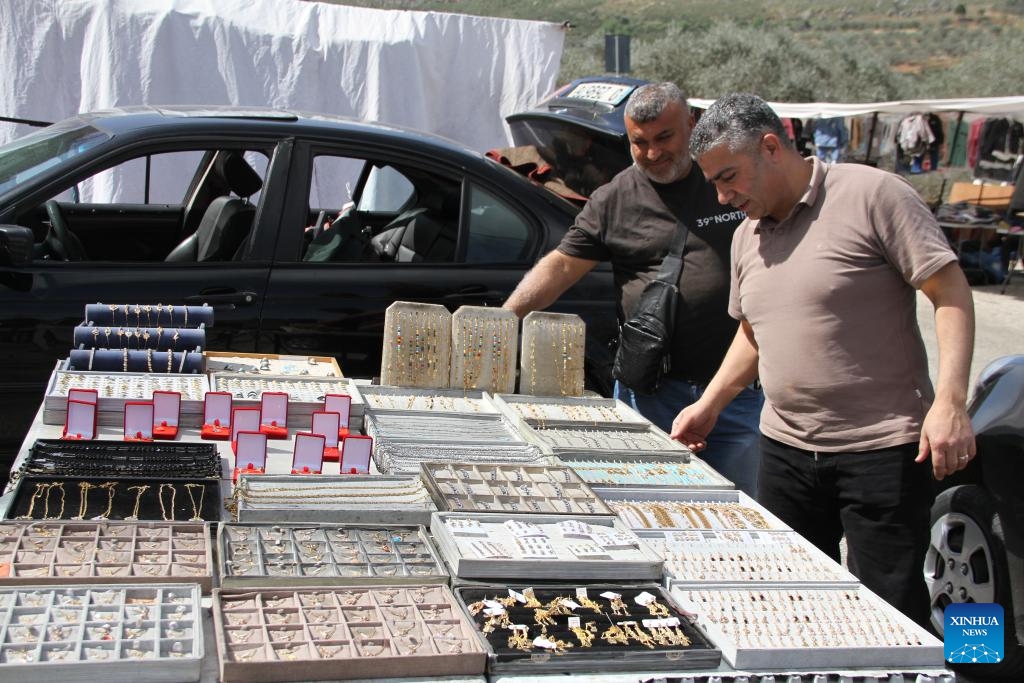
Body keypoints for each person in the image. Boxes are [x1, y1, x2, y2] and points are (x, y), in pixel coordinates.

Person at [674, 92, 976, 624]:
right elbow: (754, 330)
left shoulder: (873, 194)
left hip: (881, 451)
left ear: (770, 147)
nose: (722, 197)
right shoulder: (747, 234)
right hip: (785, 450)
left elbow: (949, 293)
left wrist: (950, 400)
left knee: (891, 613)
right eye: (715, 183)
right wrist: (712, 403)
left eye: (729, 177)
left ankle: (959, 661)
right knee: (794, 603)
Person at [502, 82, 763, 496]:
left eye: (664, 137)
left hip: (736, 397)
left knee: (738, 513)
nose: (653, 153)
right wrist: (504, 318)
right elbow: (563, 263)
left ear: (691, 125)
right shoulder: (615, 196)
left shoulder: (727, 178)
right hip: (652, 395)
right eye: (639, 143)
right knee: (647, 505)